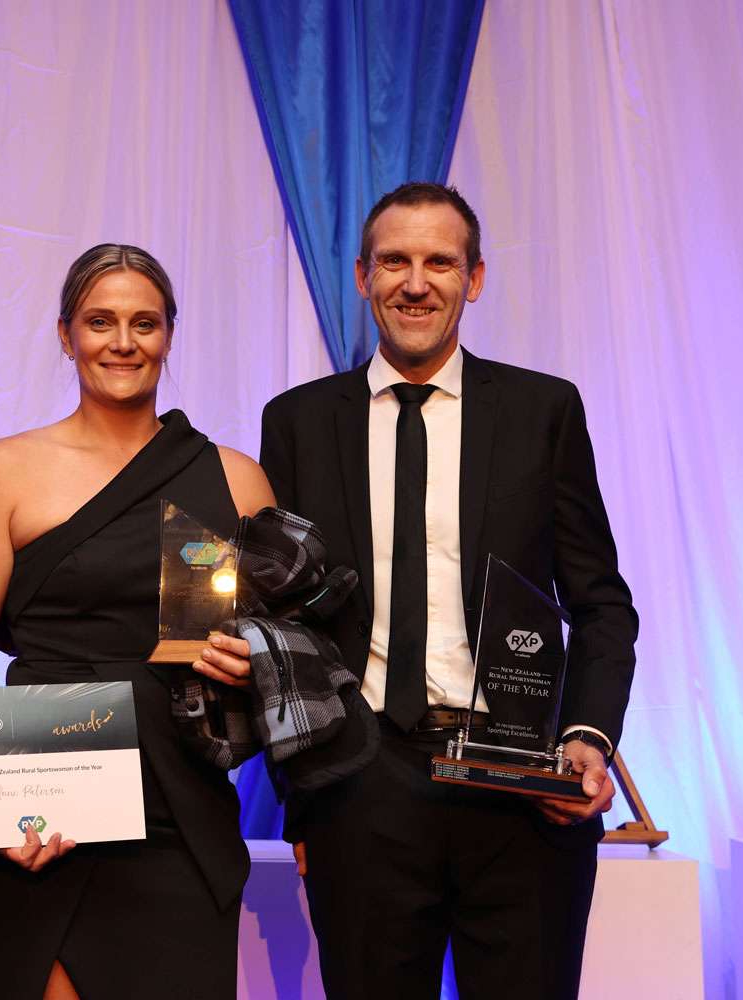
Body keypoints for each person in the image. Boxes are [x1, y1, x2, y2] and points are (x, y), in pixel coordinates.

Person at [259, 182, 639, 1000]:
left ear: (475, 278)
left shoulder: (544, 411)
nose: (416, 281)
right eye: (395, 260)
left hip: (522, 786)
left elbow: (602, 602)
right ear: (362, 276)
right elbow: (284, 621)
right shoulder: (295, 422)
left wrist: (588, 738)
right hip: (361, 786)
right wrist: (302, 793)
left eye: (440, 261)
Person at [0, 244, 275, 1000]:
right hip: (43, 812)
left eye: (144, 323)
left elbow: (287, 652)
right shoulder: (5, 470)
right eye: (100, 321)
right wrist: (3, 804)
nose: (123, 341)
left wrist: (257, 667)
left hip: (181, 812)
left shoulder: (237, 480)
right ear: (65, 334)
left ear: (169, 336)